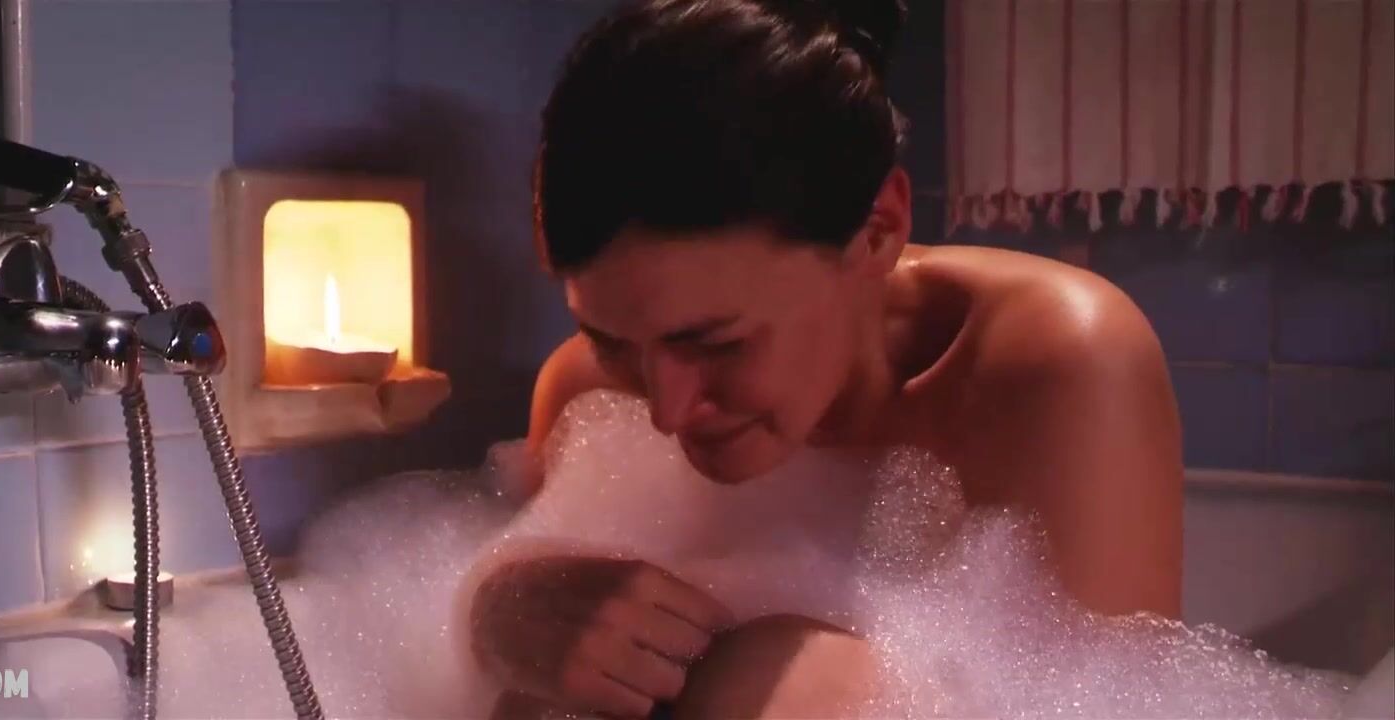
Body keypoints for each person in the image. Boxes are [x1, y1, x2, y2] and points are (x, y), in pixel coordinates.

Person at [466, 0, 1185, 717]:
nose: (665, 412)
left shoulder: (1047, 364)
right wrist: (502, 610)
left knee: (780, 676)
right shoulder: (588, 392)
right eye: (612, 341)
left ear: (877, 230)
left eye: (717, 343)